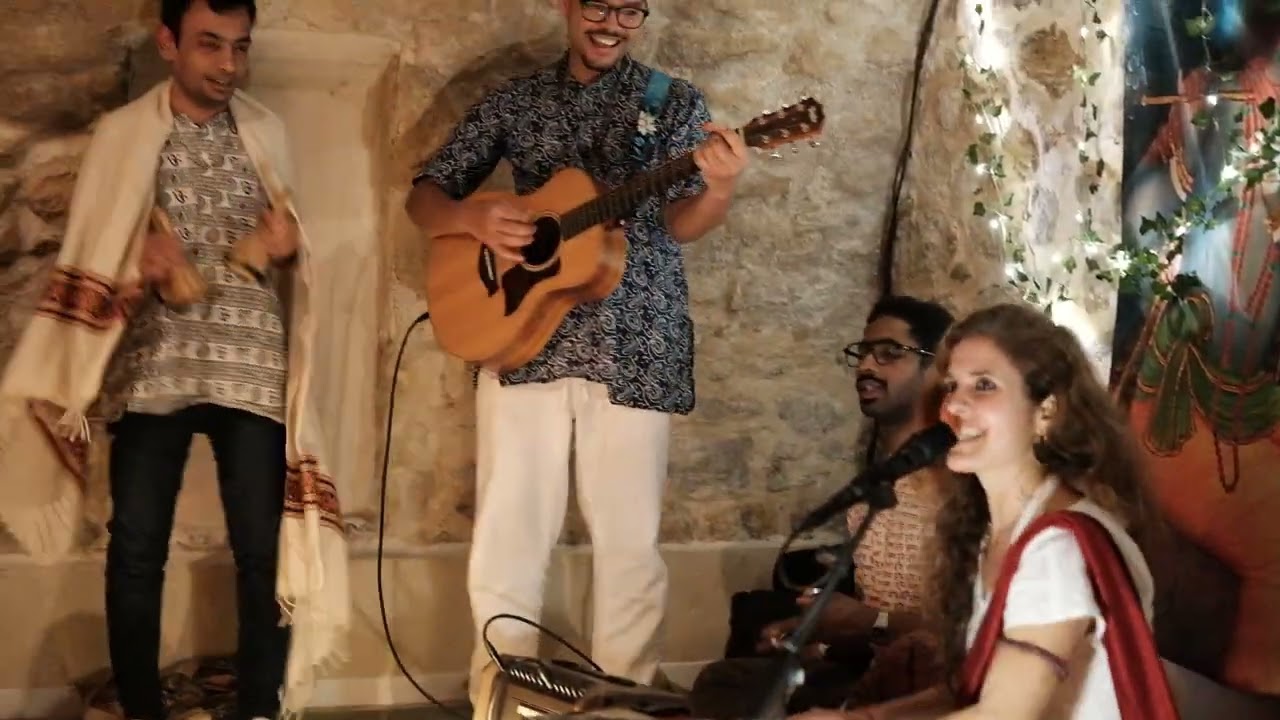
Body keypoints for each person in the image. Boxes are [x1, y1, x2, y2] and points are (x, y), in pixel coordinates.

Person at [0, 2, 349, 718]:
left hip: (249, 362)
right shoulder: (124, 135)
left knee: (262, 551)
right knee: (134, 549)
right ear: (169, 43)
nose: (227, 65)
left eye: (239, 48)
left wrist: (283, 248)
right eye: (209, 45)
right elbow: (93, 250)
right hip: (153, 365)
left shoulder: (265, 131)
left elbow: (286, 241)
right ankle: (141, 708)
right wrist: (137, 260)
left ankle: (258, 705)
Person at [404, 0, 749, 699]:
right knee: (509, 538)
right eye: (599, 4)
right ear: (568, 6)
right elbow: (425, 196)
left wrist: (721, 187)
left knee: (629, 547)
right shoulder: (518, 100)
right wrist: (470, 216)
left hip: (635, 342)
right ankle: (496, 699)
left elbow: (682, 224)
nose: (612, 22)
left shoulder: (674, 103)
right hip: (522, 334)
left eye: (630, 9)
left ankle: (620, 705)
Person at [796, 303, 1175, 720]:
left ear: (1046, 411)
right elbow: (966, 693)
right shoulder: (1001, 533)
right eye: (951, 386)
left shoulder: (1057, 551)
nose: (955, 406)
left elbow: (1000, 716)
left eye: (984, 386)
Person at [689, 296, 954, 719]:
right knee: (725, 680)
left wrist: (871, 621)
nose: (867, 367)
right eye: (863, 353)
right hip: (874, 662)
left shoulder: (959, 485)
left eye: (889, 354)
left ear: (938, 367)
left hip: (930, 679)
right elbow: (872, 614)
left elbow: (969, 630)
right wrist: (819, 636)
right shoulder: (875, 485)